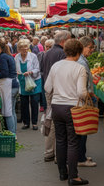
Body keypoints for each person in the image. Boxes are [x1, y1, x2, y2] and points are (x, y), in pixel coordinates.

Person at [45, 39, 89, 185]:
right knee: (73, 142)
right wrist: (88, 96)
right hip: (72, 109)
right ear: (79, 52)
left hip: (56, 107)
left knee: (60, 140)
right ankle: (73, 176)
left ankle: (62, 173)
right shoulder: (79, 68)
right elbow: (82, 93)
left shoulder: (56, 66)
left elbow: (47, 87)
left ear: (65, 51)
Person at [41, 30, 71, 163]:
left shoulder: (47, 53)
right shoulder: (62, 53)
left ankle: (48, 151)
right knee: (56, 123)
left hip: (48, 89)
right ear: (64, 41)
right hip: (56, 91)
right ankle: (57, 154)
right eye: (69, 40)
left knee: (50, 120)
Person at [76, 36, 97, 167]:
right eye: (90, 47)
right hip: (82, 99)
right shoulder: (81, 63)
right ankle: (80, 158)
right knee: (82, 129)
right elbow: (83, 85)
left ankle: (81, 155)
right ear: (83, 47)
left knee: (82, 129)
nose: (92, 50)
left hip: (82, 98)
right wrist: (91, 95)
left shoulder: (83, 60)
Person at [15, 39, 42, 130]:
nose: (24, 50)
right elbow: (16, 69)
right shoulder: (17, 57)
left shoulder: (33, 56)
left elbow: (37, 69)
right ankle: (26, 123)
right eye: (22, 48)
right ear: (19, 49)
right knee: (24, 103)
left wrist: (30, 72)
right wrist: (17, 73)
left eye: (26, 48)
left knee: (34, 102)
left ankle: (34, 123)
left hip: (34, 82)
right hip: (23, 82)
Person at [37, 39, 55, 112]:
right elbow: (38, 66)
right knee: (43, 92)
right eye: (46, 46)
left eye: (50, 47)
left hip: (51, 76)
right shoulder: (41, 54)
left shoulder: (54, 55)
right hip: (43, 76)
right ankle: (44, 106)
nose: (47, 48)